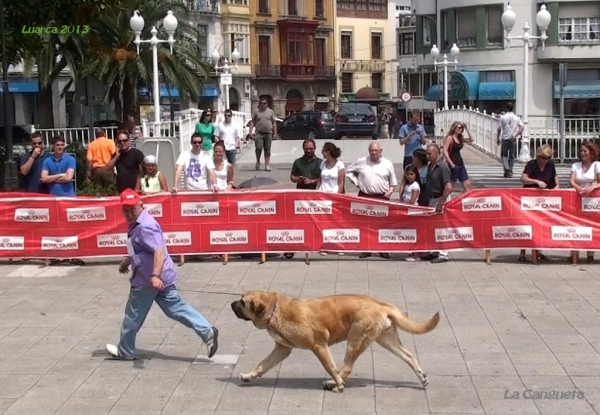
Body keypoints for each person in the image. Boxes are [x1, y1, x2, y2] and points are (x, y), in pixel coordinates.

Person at [105, 188, 219, 360]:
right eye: (125, 210)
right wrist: (127, 260)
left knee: (133, 315)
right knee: (176, 308)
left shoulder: (145, 226)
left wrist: (155, 276)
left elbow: (158, 252)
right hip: (158, 276)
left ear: (140, 205)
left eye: (131, 209)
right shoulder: (137, 221)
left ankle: (126, 351)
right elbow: (137, 246)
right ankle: (207, 331)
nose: (128, 213)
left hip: (148, 279)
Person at [346, 141, 397, 259]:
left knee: (382, 224)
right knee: (364, 224)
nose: (373, 153)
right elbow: (348, 171)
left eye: (376, 151)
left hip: (381, 197)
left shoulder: (387, 164)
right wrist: (357, 182)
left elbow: (393, 182)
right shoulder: (362, 161)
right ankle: (366, 248)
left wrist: (389, 193)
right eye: (371, 151)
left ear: (381, 151)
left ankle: (382, 249)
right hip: (365, 195)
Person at [519, 144, 559, 263]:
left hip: (543, 201)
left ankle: (538, 251)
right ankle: (522, 252)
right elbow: (523, 178)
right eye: (542, 158)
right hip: (529, 199)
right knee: (527, 225)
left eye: (547, 158)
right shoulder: (531, 164)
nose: (544, 160)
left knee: (540, 225)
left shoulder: (550, 165)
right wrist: (536, 181)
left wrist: (557, 187)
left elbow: (555, 177)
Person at [569, 142, 600, 263]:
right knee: (575, 225)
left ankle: (590, 252)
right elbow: (572, 180)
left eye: (585, 151)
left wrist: (594, 187)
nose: (582, 153)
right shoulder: (576, 165)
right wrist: (578, 187)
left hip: (592, 200)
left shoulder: (596, 165)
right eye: (581, 151)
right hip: (577, 198)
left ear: (591, 153)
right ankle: (573, 253)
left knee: (590, 225)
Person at [423, 143, 453, 263]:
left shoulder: (443, 167)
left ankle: (443, 253)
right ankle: (435, 250)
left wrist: (441, 203)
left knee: (443, 227)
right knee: (434, 227)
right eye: (427, 153)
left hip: (441, 198)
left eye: (429, 153)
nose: (427, 156)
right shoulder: (431, 166)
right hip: (432, 199)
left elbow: (448, 186)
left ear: (436, 153)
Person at [443, 121, 473, 193]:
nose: (461, 130)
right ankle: (447, 202)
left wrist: (467, 129)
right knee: (450, 187)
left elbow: (471, 140)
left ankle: (460, 201)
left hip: (460, 164)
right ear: (454, 128)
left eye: (462, 128)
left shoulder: (460, 138)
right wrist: (451, 164)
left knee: (467, 186)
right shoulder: (450, 138)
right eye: (459, 128)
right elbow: (445, 151)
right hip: (453, 165)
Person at [496, 102, 524, 178]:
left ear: (506, 108)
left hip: (505, 138)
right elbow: (522, 127)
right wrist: (517, 134)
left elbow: (499, 128)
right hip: (513, 138)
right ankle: (510, 170)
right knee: (512, 155)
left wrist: (497, 138)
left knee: (503, 155)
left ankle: (507, 168)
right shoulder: (517, 118)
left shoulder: (503, 117)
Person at [249, 98, 277, 171]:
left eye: (264, 103)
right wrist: (250, 132)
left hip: (268, 133)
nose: (263, 105)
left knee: (267, 150)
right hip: (259, 133)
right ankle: (258, 161)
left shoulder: (270, 112)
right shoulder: (256, 112)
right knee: (258, 148)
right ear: (259, 104)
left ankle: (267, 165)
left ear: (266, 104)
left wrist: (275, 132)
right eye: (261, 103)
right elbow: (252, 122)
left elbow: (274, 122)